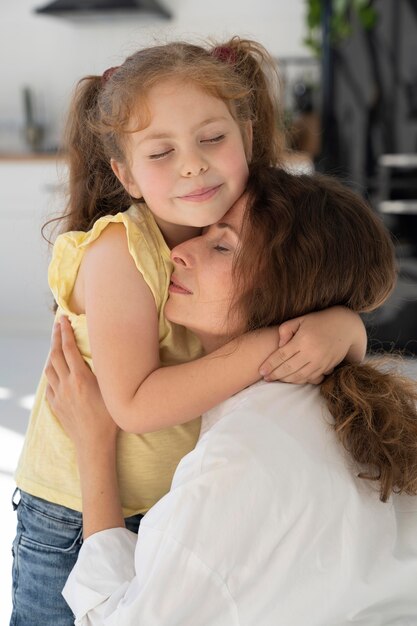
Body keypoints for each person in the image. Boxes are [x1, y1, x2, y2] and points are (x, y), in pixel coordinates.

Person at [11, 39, 367, 626]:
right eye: (162, 151)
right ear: (124, 174)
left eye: (212, 138)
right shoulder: (122, 252)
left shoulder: (249, 219)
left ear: (246, 139)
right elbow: (133, 404)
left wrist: (344, 325)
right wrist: (268, 345)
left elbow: (339, 273)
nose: (192, 164)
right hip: (75, 516)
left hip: (171, 506)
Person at [46, 167, 417, 625]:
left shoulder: (241, 458)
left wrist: (94, 446)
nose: (178, 253)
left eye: (222, 245)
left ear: (288, 291)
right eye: (200, 234)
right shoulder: (342, 406)